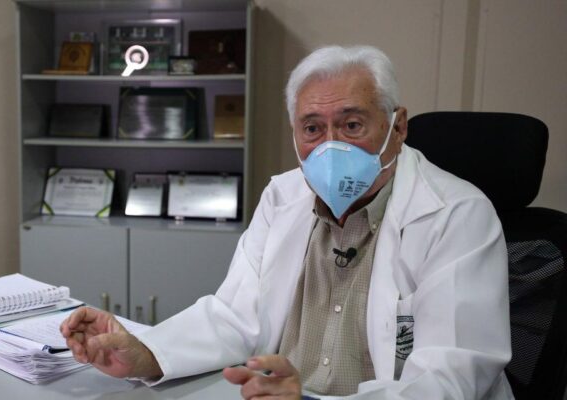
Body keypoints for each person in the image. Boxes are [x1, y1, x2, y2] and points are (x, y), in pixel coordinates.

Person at [60, 45, 514, 399]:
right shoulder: (283, 196)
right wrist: (147, 353)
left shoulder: (457, 214)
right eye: (312, 128)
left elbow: (450, 378)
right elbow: (235, 315)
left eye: (352, 125)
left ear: (398, 127)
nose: (331, 147)